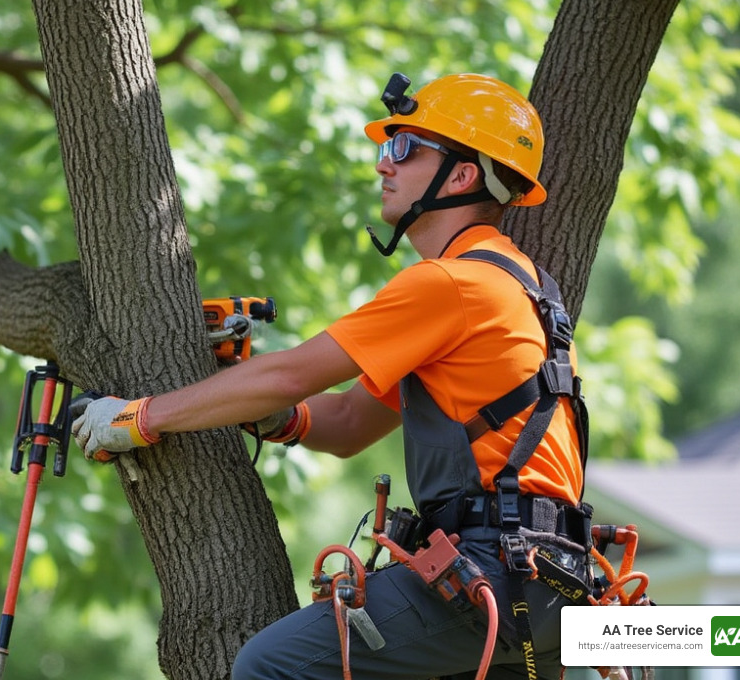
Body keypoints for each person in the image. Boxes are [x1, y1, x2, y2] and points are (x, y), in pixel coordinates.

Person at [71, 73, 592, 680]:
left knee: (270, 665)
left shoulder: (451, 284)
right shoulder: (522, 288)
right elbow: (346, 422)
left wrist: (138, 418)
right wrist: (277, 418)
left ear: (460, 174)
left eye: (404, 148)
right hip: (548, 578)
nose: (383, 166)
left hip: (494, 571)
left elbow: (291, 373)